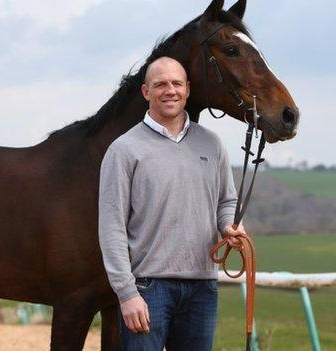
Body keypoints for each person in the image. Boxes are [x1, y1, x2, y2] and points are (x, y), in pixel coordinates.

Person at [98, 56, 247, 350]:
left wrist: (229, 227)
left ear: (188, 89)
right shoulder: (124, 150)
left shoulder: (212, 144)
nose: (170, 90)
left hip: (203, 287)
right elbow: (111, 227)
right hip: (148, 288)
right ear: (146, 92)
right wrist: (127, 294)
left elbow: (226, 200)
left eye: (177, 83)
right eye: (160, 84)